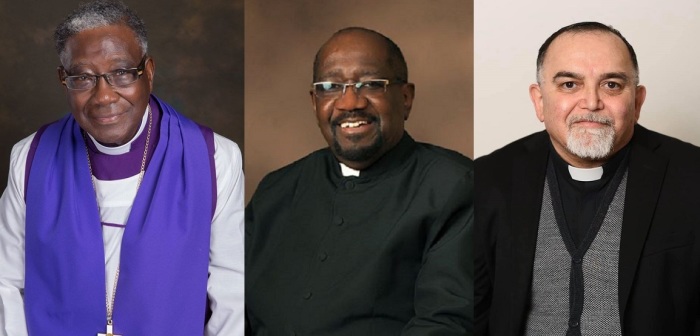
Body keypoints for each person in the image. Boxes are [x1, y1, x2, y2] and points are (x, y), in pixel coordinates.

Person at [0, 1, 244, 335]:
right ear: (63, 79)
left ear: (149, 72)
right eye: (83, 78)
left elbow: (233, 293)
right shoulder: (29, 157)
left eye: (121, 73)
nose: (103, 96)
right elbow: (7, 282)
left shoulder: (215, 158)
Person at [475, 21, 700, 335]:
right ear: (539, 101)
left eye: (611, 85)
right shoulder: (488, 178)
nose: (591, 102)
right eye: (570, 84)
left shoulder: (692, 175)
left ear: (636, 102)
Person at [245, 27, 473, 335]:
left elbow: (446, 323)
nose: (349, 102)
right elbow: (229, 305)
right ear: (315, 102)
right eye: (330, 86)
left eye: (370, 85)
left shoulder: (455, 185)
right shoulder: (277, 190)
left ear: (405, 98)